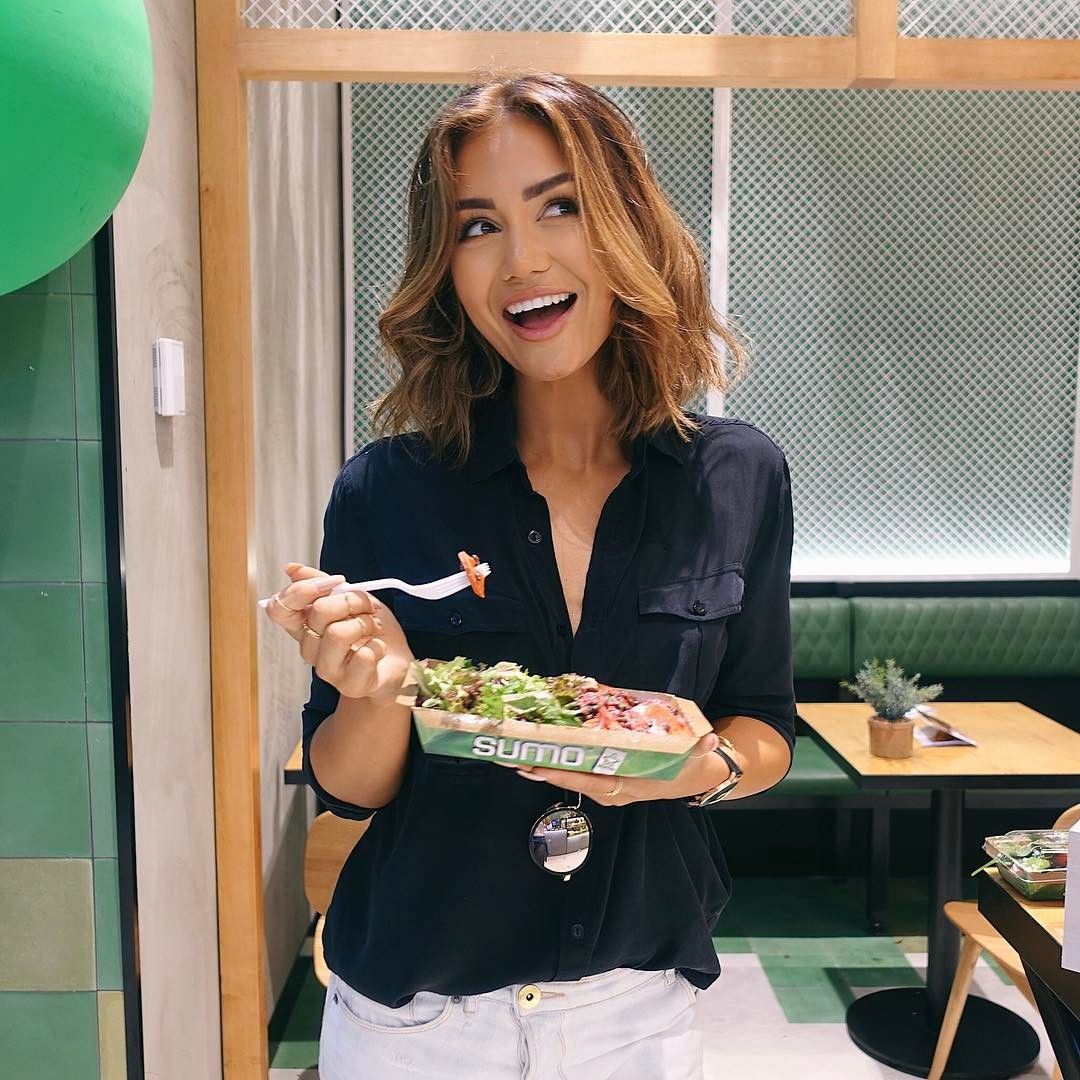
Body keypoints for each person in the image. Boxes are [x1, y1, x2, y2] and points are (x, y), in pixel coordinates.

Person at [264, 70, 796, 1080]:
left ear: (628, 225)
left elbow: (765, 723)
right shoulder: (388, 489)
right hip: (416, 1022)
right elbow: (348, 786)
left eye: (561, 206)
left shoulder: (739, 477)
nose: (523, 259)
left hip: (634, 1013)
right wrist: (374, 691)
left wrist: (698, 769)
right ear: (447, 268)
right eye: (479, 226)